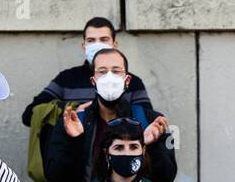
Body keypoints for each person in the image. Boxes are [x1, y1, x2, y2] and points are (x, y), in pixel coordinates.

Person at [40, 47, 175, 182]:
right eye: (102, 72)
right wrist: (75, 141)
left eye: (116, 71)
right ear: (93, 81)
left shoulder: (152, 121)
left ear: (127, 80)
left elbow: (166, 177)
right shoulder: (72, 122)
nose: (109, 77)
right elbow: (55, 178)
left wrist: (152, 145)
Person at [21, 16, 153, 127]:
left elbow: (147, 123)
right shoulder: (67, 79)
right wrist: (71, 109)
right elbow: (29, 116)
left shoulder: (132, 82)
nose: (97, 44)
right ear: (84, 46)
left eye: (104, 39)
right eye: (91, 40)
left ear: (114, 45)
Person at [70, 117, 176, 182]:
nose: (127, 153)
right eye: (119, 148)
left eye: (133, 147)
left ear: (143, 151)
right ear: (107, 153)